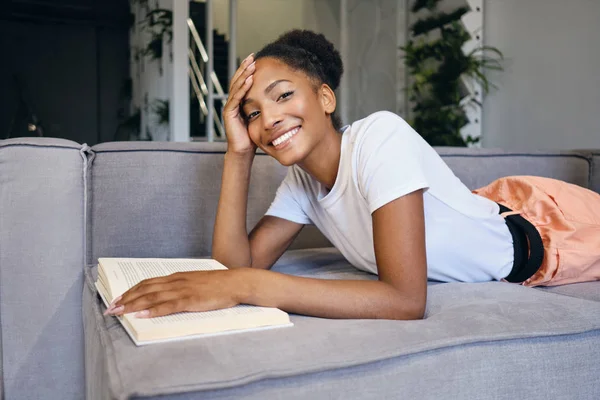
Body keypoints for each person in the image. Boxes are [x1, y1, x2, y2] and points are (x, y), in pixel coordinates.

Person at [105, 30, 600, 321]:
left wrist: (248, 288)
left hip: (549, 230)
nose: (268, 118)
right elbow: (236, 264)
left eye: (282, 95)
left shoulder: (380, 136)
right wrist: (237, 154)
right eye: (250, 113)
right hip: (490, 209)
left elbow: (406, 301)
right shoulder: (300, 183)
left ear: (324, 99)